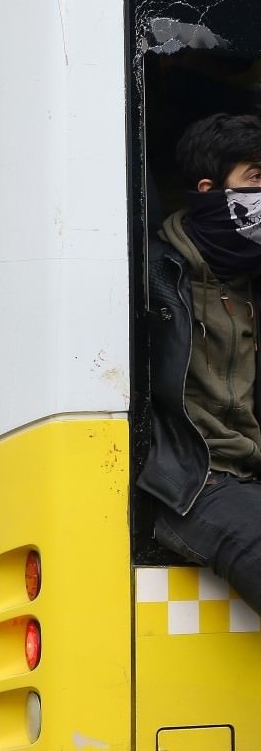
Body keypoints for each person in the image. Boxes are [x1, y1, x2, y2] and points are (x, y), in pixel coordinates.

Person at [138, 112, 261, 614]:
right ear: (211, 191)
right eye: (256, 178)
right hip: (194, 484)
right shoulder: (150, 273)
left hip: (250, 476)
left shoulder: (250, 280)